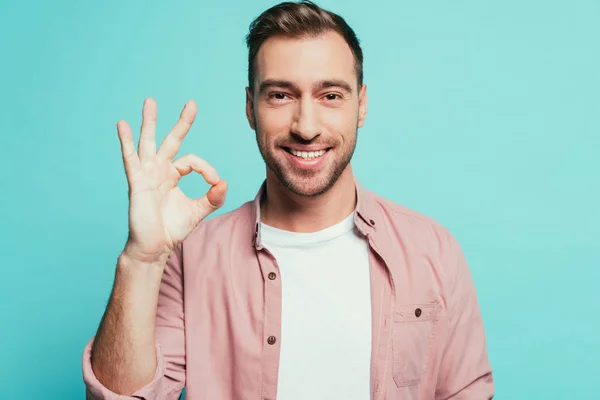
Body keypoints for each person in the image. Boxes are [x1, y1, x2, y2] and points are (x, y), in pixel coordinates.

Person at [82, 1, 494, 399]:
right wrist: (142, 259)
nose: (307, 127)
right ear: (250, 108)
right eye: (281, 95)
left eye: (330, 95)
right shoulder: (190, 258)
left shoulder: (433, 252)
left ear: (361, 104)